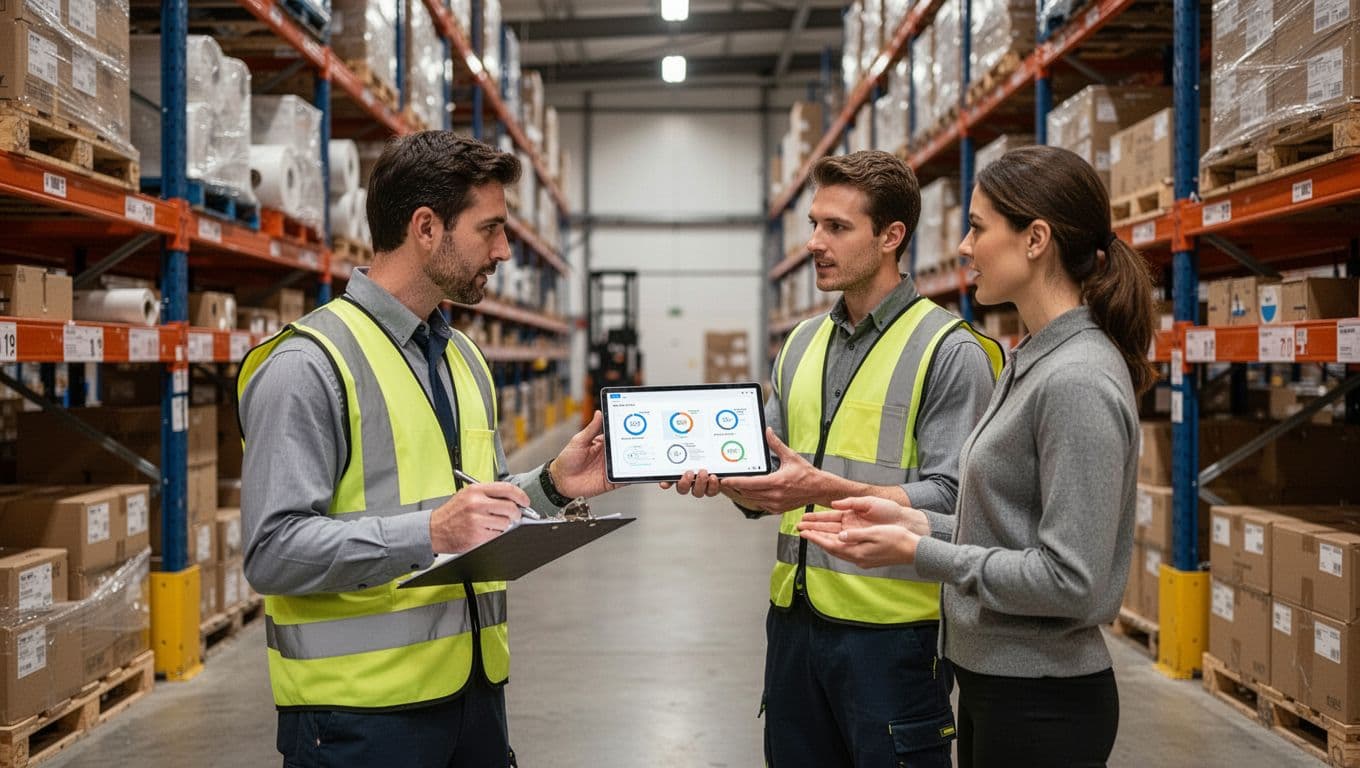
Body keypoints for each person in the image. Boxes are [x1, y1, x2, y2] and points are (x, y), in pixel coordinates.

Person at [236, 132, 615, 767]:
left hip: (472, 694)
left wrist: (551, 484)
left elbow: (475, 510)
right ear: (426, 227)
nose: (503, 250)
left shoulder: (463, 356)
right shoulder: (310, 364)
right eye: (489, 229)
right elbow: (272, 553)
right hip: (359, 717)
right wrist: (430, 532)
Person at [798, 145, 1156, 768]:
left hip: (1044, 701)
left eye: (979, 227)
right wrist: (913, 521)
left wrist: (920, 552)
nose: (963, 246)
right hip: (1002, 686)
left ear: (1036, 238)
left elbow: (1074, 581)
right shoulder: (1031, 359)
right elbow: (1011, 527)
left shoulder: (1076, 379)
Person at [669, 151, 1002, 767]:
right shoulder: (799, 343)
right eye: (815, 224)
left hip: (895, 635)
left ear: (891, 237)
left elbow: (961, 502)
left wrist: (821, 489)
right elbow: (770, 475)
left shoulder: (950, 351)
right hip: (793, 624)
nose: (815, 243)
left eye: (837, 228)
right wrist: (724, 479)